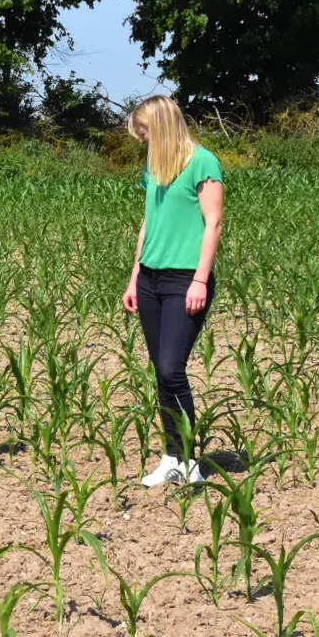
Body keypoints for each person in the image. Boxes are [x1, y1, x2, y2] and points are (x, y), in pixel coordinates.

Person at [121, 95, 224, 486]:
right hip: (150, 278)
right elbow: (149, 222)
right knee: (160, 374)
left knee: (171, 368)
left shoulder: (203, 162)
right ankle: (170, 457)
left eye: (145, 133)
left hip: (186, 280)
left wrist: (200, 279)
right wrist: (134, 277)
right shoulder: (154, 166)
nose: (143, 141)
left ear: (162, 128)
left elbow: (213, 224)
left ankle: (188, 459)